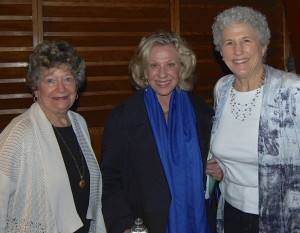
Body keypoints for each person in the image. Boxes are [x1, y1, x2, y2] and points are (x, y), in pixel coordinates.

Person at [100, 30, 221, 233]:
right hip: (144, 225)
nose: (162, 74)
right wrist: (123, 225)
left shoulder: (202, 111)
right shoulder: (123, 117)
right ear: (144, 71)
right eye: (154, 65)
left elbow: (215, 163)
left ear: (182, 68)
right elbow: (109, 178)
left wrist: (218, 171)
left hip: (199, 221)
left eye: (170, 65)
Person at [208, 5, 300, 233]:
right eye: (229, 43)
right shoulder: (222, 88)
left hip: (281, 217)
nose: (238, 51)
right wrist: (221, 167)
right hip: (231, 211)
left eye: (246, 40)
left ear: (263, 45)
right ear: (221, 51)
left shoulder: (292, 90)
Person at [0, 41, 106, 232]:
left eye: (67, 78)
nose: (61, 89)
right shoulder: (19, 133)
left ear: (77, 84)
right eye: (50, 80)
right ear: (36, 87)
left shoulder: (79, 124)